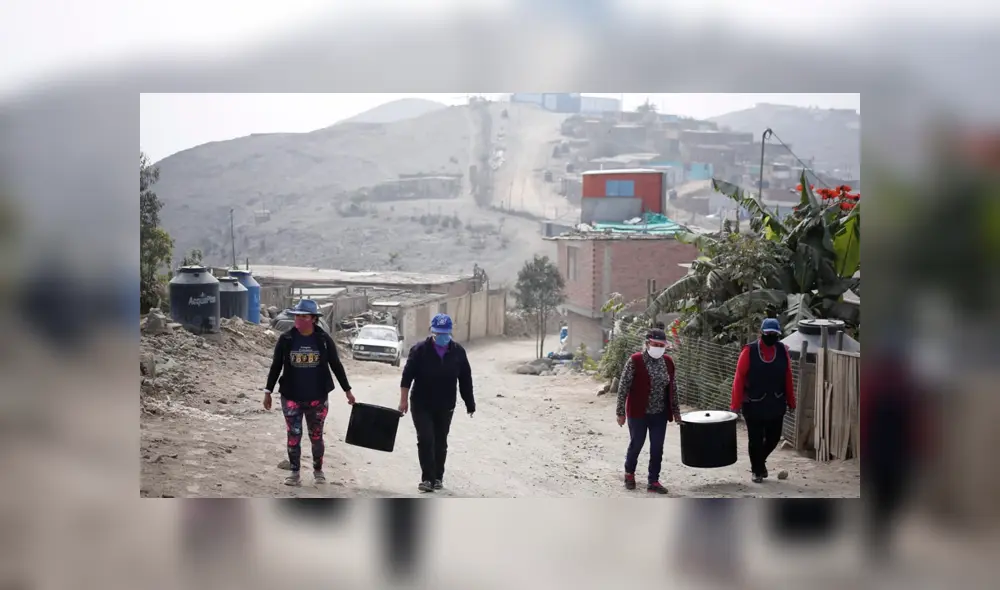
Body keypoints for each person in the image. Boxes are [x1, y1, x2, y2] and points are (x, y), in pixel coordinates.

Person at [263, 299, 356, 486]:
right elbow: (276, 366)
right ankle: (294, 472)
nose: (299, 320)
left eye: (304, 316)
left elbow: (336, 365)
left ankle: (318, 469)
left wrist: (348, 391)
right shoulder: (287, 339)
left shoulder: (323, 340)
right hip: (291, 396)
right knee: (294, 434)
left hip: (317, 398)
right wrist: (268, 391)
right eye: (297, 316)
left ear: (313, 319)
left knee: (316, 436)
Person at [398, 313, 475, 492]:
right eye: (438, 333)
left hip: (445, 404)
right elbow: (407, 377)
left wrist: (470, 403)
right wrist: (403, 401)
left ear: (450, 333)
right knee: (426, 439)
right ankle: (427, 479)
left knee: (440, 441)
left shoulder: (458, 352)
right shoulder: (419, 350)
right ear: (432, 332)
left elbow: (465, 379)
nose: (442, 337)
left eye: (445, 333)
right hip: (421, 403)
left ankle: (438, 477)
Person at [730, 318, 796, 483]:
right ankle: (756, 470)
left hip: (776, 403)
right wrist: (735, 406)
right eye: (768, 333)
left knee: (773, 438)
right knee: (755, 439)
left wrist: (791, 401)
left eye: (775, 334)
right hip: (753, 404)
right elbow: (739, 379)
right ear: (761, 333)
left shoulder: (782, 351)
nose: (771, 336)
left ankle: (760, 462)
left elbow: (788, 376)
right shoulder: (749, 351)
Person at [616, 328, 682, 494]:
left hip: (659, 412)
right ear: (647, 344)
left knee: (657, 447)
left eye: (662, 345)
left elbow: (673, 388)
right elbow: (623, 387)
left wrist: (676, 411)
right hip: (638, 412)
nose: (659, 348)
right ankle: (629, 474)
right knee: (636, 443)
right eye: (655, 344)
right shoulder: (635, 361)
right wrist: (620, 412)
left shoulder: (668, 362)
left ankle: (653, 480)